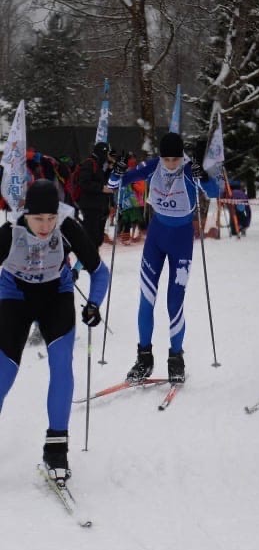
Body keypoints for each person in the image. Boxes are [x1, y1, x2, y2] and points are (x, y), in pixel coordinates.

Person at [0, 180, 109, 483]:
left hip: (56, 298)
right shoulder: (10, 233)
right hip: (15, 298)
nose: (46, 225)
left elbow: (100, 272)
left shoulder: (67, 227)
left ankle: (56, 447)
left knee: (61, 365)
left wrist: (94, 304)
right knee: (3, 373)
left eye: (51, 218)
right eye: (38, 219)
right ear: (26, 214)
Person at [109, 133, 219, 384]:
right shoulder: (152, 167)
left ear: (182, 156)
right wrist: (117, 171)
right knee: (146, 299)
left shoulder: (190, 170)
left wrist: (204, 176)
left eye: (175, 159)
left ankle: (176, 359)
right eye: (167, 159)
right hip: (156, 238)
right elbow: (116, 183)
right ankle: (144, 359)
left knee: (174, 303)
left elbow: (214, 192)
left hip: (181, 240)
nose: (171, 164)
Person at [78, 142, 115, 248]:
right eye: (107, 153)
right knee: (91, 238)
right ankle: (87, 261)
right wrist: (101, 188)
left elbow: (101, 179)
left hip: (100, 206)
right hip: (90, 206)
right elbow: (84, 183)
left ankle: (94, 261)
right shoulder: (89, 163)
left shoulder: (99, 164)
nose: (108, 156)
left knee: (98, 238)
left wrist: (109, 169)